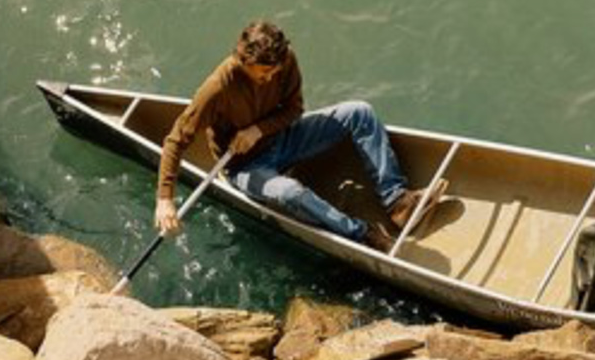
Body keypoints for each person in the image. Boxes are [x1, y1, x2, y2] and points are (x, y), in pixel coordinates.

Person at [154, 21, 445, 251]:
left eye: (274, 72)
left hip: (285, 137)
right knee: (290, 192)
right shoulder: (217, 88)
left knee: (360, 112)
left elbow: (294, 109)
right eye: (263, 73)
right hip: (243, 165)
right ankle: (361, 233)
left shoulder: (284, 61)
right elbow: (175, 140)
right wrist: (165, 199)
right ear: (243, 59)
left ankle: (397, 202)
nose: (270, 78)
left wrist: (259, 129)